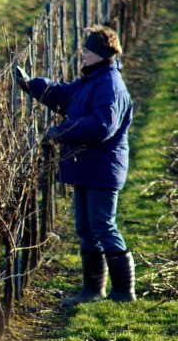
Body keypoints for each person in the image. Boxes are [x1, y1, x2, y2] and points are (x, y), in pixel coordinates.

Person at [13, 25, 136, 304]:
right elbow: (66, 95)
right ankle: (92, 290)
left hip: (102, 169)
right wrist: (32, 85)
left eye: (88, 50)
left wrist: (62, 131)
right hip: (87, 168)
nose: (83, 54)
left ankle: (123, 291)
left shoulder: (110, 85)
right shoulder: (93, 79)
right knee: (86, 228)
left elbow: (102, 126)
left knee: (103, 227)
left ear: (101, 54)